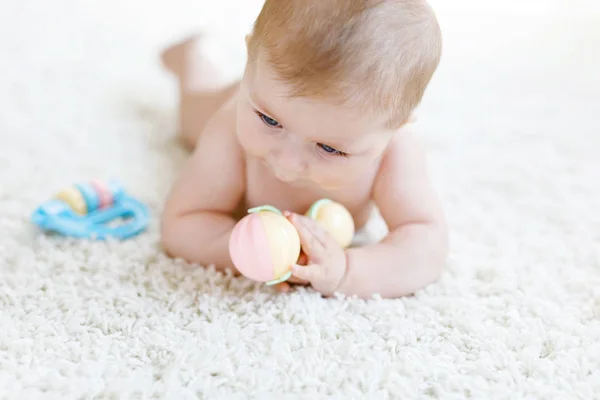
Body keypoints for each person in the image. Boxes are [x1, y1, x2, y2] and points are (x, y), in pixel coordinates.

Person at [160, 0, 448, 299]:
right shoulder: (230, 125)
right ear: (250, 65)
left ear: (393, 129)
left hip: (281, 103)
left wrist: (347, 270)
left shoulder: (396, 152)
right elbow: (182, 222)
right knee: (192, 114)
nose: (287, 164)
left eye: (329, 148)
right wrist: (250, 252)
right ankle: (193, 58)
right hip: (225, 101)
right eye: (269, 121)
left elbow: (427, 242)